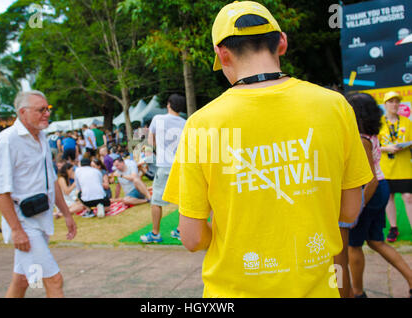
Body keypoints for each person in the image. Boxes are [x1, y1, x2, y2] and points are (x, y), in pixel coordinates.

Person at [162, 1, 373, 298]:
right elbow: (350, 210)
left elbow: (192, 237)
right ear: (282, 43)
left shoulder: (201, 124)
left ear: (223, 54)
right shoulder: (335, 106)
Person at [0, 90, 77, 298]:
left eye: (48, 109)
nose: (47, 113)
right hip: (23, 221)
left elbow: (51, 180)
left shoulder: (42, 137)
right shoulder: (7, 141)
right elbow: (0, 191)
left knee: (21, 280)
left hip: (41, 217)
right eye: (41, 110)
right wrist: (16, 230)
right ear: (23, 112)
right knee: (54, 280)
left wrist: (66, 213)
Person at [343, 92, 412, 298]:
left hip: (371, 192)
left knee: (353, 246)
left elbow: (370, 180)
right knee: (376, 242)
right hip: (379, 190)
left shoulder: (362, 139)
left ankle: (357, 292)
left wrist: (356, 209)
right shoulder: (369, 133)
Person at [140, 94, 186, 243]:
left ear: (168, 104)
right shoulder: (185, 123)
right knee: (183, 201)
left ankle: (155, 233)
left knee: (156, 201)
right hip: (181, 165)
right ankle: (180, 230)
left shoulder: (158, 119)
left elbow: (150, 142)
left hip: (165, 166)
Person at [378, 91, 412, 242]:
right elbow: (373, 146)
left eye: (396, 101)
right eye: (390, 102)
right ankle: (393, 228)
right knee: (389, 198)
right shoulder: (378, 123)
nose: (394, 104)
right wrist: (387, 148)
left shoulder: (406, 122)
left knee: (408, 197)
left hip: (404, 167)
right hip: (386, 167)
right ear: (385, 104)